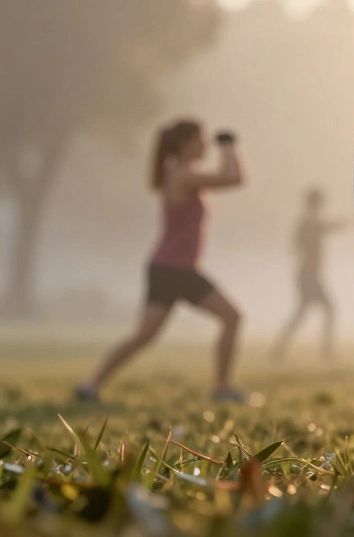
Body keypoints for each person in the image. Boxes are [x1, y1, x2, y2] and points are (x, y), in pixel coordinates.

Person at [77, 119, 246, 403]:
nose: (205, 144)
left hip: (173, 269)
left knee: (146, 335)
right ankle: (222, 389)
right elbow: (233, 178)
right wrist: (228, 145)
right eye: (200, 139)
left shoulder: (180, 173)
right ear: (185, 144)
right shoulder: (181, 175)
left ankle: (91, 385)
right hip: (173, 270)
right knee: (231, 318)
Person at [272, 188, 342, 360]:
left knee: (305, 313)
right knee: (324, 310)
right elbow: (321, 230)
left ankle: (279, 350)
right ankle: (326, 352)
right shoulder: (308, 223)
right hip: (308, 275)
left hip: (310, 274)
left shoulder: (309, 223)